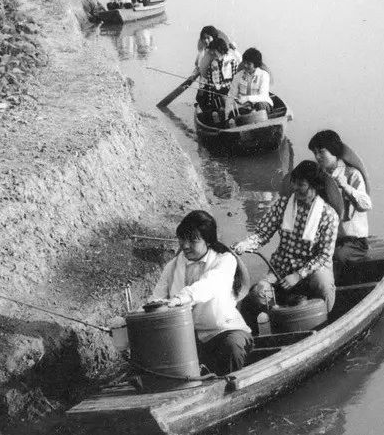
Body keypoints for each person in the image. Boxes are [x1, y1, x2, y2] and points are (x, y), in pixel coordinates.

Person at [146, 210, 253, 375]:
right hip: (187, 337)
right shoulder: (172, 266)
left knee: (231, 347)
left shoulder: (225, 260)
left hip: (224, 331)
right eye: (182, 239)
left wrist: (180, 298)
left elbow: (209, 285)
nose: (185, 245)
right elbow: (156, 300)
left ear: (208, 241)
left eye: (193, 240)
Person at [235, 160, 339, 313]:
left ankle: (327, 319)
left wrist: (298, 275)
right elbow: (263, 233)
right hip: (281, 268)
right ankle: (277, 316)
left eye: (301, 184)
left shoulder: (328, 215)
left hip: (312, 269)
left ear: (315, 186)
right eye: (294, 183)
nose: (295, 188)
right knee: (260, 293)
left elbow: (324, 255)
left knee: (324, 286)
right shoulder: (283, 205)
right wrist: (245, 244)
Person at [309, 130, 372, 267]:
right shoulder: (322, 177)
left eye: (321, 152)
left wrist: (345, 186)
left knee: (337, 255)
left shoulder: (352, 174)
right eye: (315, 153)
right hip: (332, 238)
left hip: (355, 242)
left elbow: (366, 204)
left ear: (334, 151)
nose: (318, 157)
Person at [197, 37, 239, 121]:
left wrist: (223, 87)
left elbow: (235, 81)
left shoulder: (232, 62)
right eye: (211, 51)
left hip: (230, 92)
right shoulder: (213, 64)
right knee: (204, 99)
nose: (212, 53)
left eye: (214, 50)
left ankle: (230, 114)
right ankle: (217, 115)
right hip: (217, 94)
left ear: (220, 50)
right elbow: (210, 84)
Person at [228, 47, 273, 121]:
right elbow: (231, 95)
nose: (245, 66)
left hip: (260, 105)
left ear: (255, 65)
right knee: (231, 112)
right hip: (244, 106)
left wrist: (247, 98)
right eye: (244, 62)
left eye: (249, 64)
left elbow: (263, 96)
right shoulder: (238, 76)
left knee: (260, 106)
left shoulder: (264, 75)